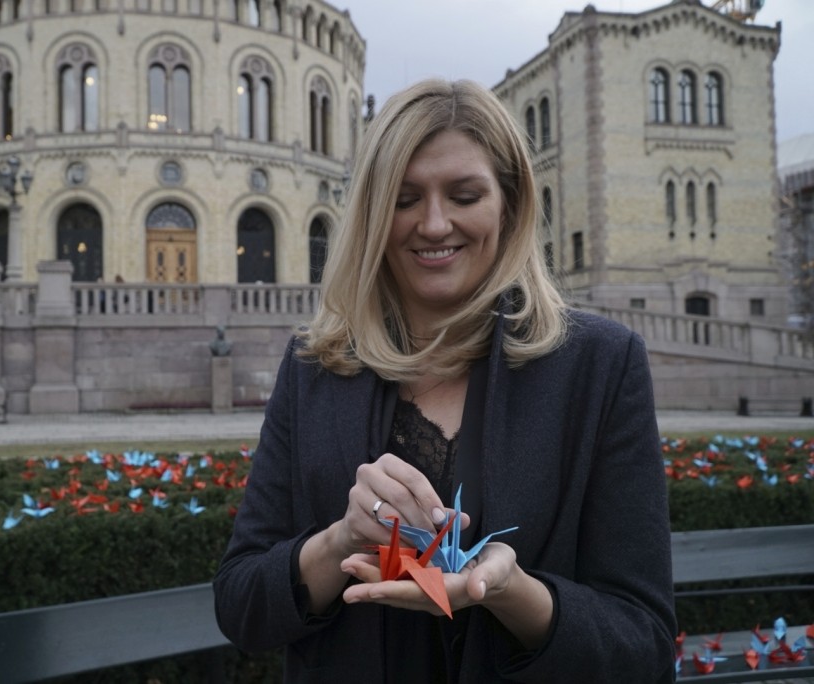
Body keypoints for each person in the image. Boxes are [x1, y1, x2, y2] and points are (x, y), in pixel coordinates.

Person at [212, 79, 676, 683]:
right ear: (372, 214)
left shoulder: (598, 366)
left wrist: (510, 592)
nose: (434, 224)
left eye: (464, 195)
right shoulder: (316, 366)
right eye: (404, 199)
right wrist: (340, 542)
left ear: (508, 204)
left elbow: (643, 645)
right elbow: (240, 608)